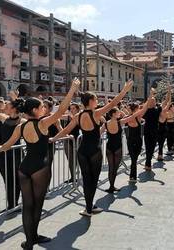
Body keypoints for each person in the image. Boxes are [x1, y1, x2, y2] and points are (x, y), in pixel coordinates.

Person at [0, 78, 80, 249]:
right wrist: (72, 89)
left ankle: (29, 241)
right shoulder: (42, 123)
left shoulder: (21, 127)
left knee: (27, 205)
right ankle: (32, 238)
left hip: (24, 168)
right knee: (37, 205)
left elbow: (6, 146)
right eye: (42, 107)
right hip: (39, 169)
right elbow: (62, 110)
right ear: (35, 110)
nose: (44, 109)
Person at [52, 80, 133, 217]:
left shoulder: (78, 116)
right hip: (94, 151)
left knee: (86, 179)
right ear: (90, 101)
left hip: (82, 151)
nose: (97, 101)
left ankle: (89, 207)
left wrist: (53, 139)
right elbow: (113, 104)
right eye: (95, 99)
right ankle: (89, 208)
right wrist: (124, 90)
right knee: (93, 181)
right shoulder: (95, 114)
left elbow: (66, 130)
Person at [101, 91, 153, 192]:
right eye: (117, 112)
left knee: (111, 167)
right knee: (115, 167)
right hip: (118, 147)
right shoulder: (120, 121)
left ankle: (111, 186)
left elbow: (98, 134)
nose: (120, 113)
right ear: (113, 114)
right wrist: (149, 98)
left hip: (109, 146)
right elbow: (135, 115)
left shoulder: (105, 124)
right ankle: (113, 185)